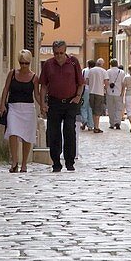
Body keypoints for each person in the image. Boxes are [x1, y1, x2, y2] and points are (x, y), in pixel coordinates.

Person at [0, 50, 44, 172]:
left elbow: (37, 95)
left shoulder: (34, 77)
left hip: (28, 109)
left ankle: (24, 164)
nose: (23, 65)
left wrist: (43, 105)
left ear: (30, 63)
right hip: (13, 107)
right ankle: (14, 162)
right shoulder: (12, 74)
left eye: (26, 63)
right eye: (21, 63)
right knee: (12, 132)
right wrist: (2, 104)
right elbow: (6, 89)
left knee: (27, 136)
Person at [42, 41, 84, 172]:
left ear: (65, 51)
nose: (59, 56)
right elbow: (43, 85)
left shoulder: (73, 62)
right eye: (56, 53)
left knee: (69, 131)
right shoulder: (48, 64)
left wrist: (77, 96)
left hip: (70, 102)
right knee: (53, 133)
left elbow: (81, 82)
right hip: (54, 102)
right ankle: (56, 162)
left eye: (61, 53)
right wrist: (43, 103)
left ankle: (70, 162)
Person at [86, 58, 109, 133]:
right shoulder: (104, 71)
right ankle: (96, 127)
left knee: (93, 110)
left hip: (91, 92)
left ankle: (94, 126)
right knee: (98, 111)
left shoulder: (91, 70)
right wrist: (105, 89)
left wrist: (92, 84)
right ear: (102, 64)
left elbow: (87, 82)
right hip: (99, 92)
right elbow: (106, 82)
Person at [106, 59, 126, 130]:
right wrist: (122, 92)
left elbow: (106, 82)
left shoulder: (107, 71)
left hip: (109, 92)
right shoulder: (122, 72)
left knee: (111, 108)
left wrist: (106, 90)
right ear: (117, 64)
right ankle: (118, 122)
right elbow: (123, 84)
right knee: (118, 109)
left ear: (110, 64)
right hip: (119, 92)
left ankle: (112, 123)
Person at [79, 59, 95, 130]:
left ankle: (84, 120)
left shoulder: (84, 71)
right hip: (94, 91)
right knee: (90, 108)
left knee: (83, 106)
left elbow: (82, 81)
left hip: (85, 90)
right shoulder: (96, 71)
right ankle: (90, 125)